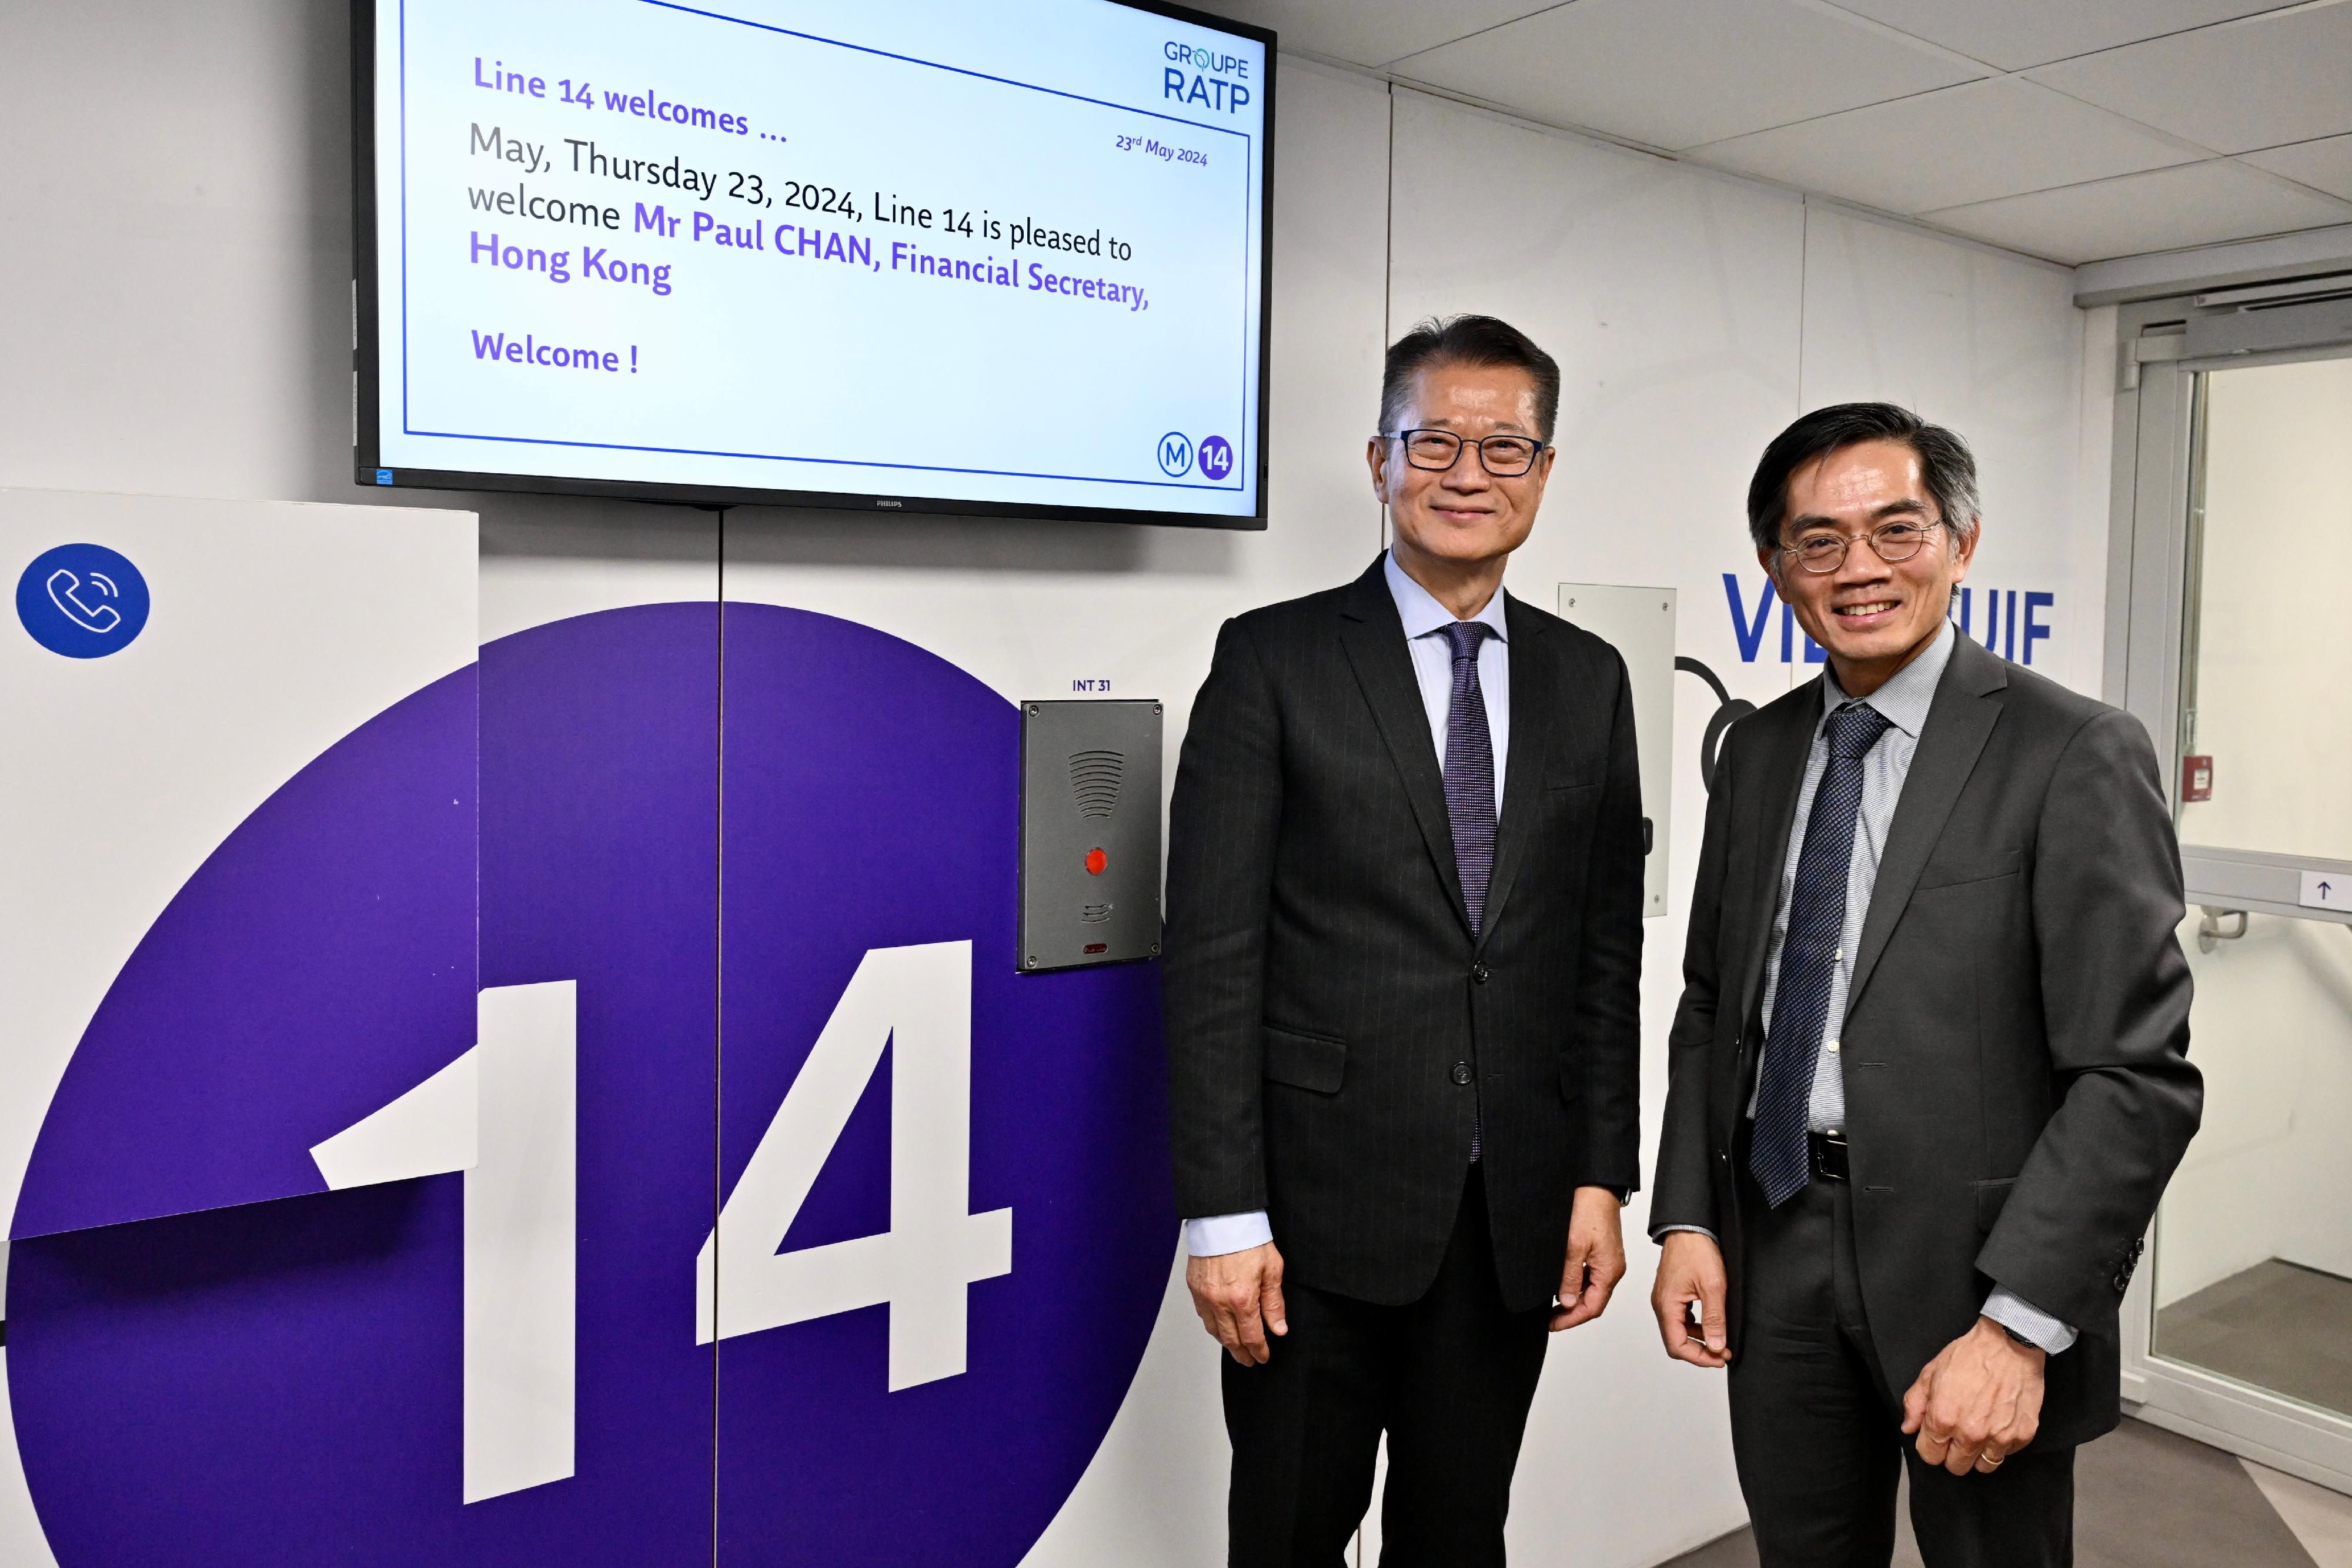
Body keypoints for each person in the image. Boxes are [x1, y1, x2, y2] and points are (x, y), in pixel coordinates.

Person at [1648, 403, 2202, 1567]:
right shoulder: (1756, 751)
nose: (1857, 568)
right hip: (1778, 1228)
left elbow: (2132, 1076)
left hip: (1977, 1263)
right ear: (1773, 567)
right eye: (1816, 540)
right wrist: (1691, 1213)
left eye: (1893, 529)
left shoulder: (2071, 750)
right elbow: (1713, 1003)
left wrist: (2019, 1321)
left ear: (1960, 539)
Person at [1162, 314, 1645, 1566]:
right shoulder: (1270, 659)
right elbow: (1212, 955)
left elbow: (1599, 954)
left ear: (1541, 471)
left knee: (1457, 1532)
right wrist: (1221, 1214)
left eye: (1503, 446)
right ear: (1377, 461)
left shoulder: (1589, 678)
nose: (1466, 473)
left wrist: (1597, 1174)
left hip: (1507, 1215)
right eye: (1432, 440)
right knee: (1286, 1530)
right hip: (1311, 1217)